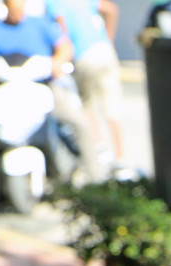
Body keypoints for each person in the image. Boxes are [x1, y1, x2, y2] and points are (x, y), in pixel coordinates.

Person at [47, 0, 126, 174]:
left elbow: (62, 33)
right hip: (104, 50)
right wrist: (109, 40)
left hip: (83, 55)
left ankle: (99, 149)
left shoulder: (54, 3)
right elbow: (111, 10)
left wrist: (63, 57)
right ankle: (120, 158)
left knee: (87, 105)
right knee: (112, 106)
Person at [0, 0, 73, 81]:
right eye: (13, 9)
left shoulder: (39, 23)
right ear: (6, 5)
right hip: (8, 83)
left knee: (62, 91)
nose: (17, 13)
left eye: (19, 8)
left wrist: (57, 62)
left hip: (42, 80)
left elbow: (65, 46)